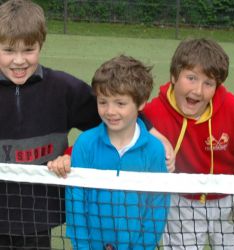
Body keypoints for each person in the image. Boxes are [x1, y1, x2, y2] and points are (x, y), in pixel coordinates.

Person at [0, 0, 174, 248]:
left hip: (36, 218)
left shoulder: (62, 88)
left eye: (28, 50)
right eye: (8, 50)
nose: (19, 61)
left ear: (41, 45)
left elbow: (111, 113)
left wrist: (152, 130)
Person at [143, 38, 234, 249]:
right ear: (174, 76)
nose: (198, 91)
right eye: (191, 78)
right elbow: (115, 131)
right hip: (181, 202)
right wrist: (70, 155)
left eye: (208, 83)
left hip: (233, 202)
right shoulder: (153, 114)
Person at [65, 55, 170, 249]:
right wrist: (83, 246)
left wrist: (141, 246)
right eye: (103, 102)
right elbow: (76, 201)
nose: (110, 111)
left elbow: (157, 206)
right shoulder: (85, 144)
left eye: (120, 103)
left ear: (141, 103)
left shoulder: (154, 149)